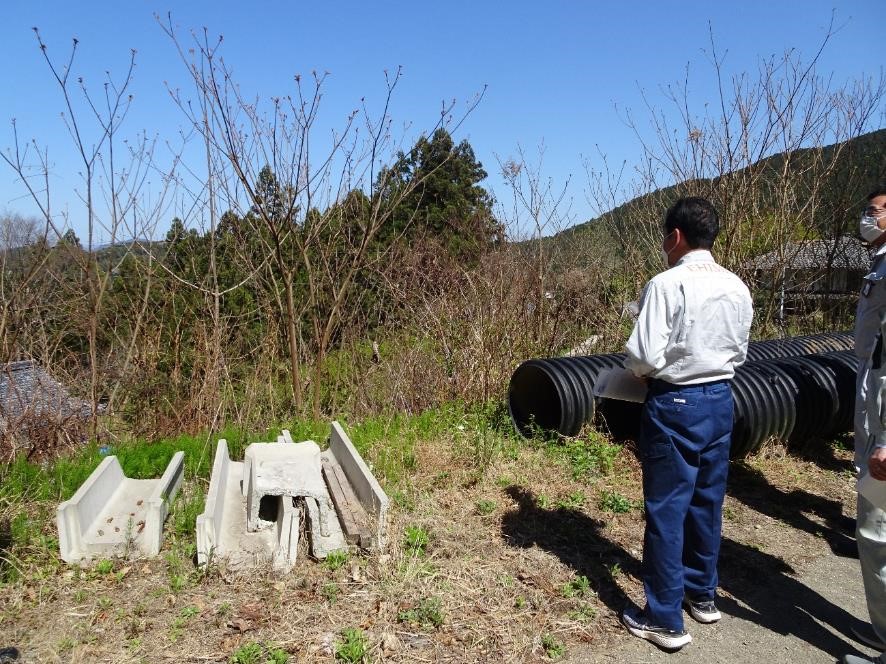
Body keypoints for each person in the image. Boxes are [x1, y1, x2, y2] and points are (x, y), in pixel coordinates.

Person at [620, 196, 753, 650]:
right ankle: (702, 594)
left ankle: (664, 618)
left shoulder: (665, 283)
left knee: (666, 508)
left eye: (664, 237)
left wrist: (639, 373)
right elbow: (739, 352)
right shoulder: (737, 285)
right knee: (706, 501)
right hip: (721, 399)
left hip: (674, 402)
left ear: (675, 237)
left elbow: (641, 355)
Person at [844, 187, 886, 664]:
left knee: (877, 528)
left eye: (873, 212)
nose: (866, 219)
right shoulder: (879, 260)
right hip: (872, 392)